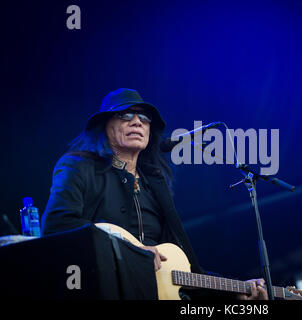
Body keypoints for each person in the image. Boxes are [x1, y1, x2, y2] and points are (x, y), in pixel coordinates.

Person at [41, 88, 267, 300]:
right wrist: (131, 249)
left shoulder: (155, 183)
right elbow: (57, 224)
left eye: (144, 118)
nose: (137, 121)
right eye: (126, 114)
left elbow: (185, 273)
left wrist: (237, 289)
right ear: (104, 125)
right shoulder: (79, 166)